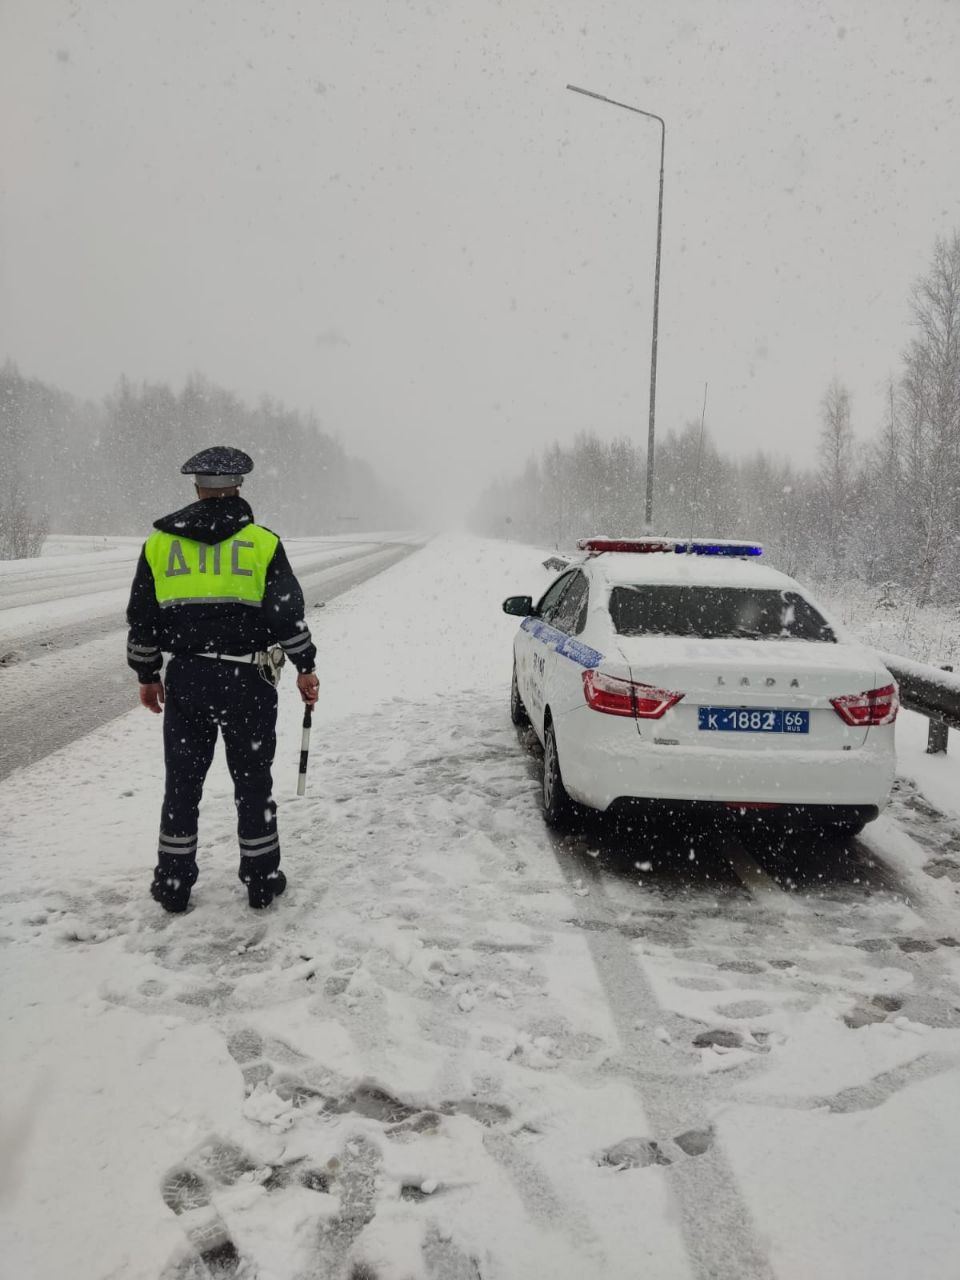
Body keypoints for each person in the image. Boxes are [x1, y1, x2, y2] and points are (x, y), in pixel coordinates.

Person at [126, 446, 320, 912]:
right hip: (247, 678)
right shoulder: (262, 543)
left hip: (187, 677)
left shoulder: (159, 543)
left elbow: (142, 617)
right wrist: (305, 666)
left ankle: (172, 885)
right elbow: (286, 614)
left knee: (182, 783)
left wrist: (148, 674)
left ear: (196, 488)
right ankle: (261, 879)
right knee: (253, 781)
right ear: (238, 487)